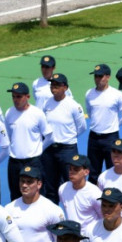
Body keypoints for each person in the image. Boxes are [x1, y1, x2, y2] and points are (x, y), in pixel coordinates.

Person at [41, 74, 87, 203]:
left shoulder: (73, 105)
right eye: (52, 84)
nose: (53, 87)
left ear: (65, 87)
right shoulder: (47, 103)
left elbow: (82, 127)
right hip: (50, 150)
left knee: (72, 183)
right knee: (50, 185)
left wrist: (68, 137)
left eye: (57, 84)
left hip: (67, 150)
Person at [85, 64, 122, 181]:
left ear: (108, 77)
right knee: (93, 172)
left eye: (100, 76)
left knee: (113, 170)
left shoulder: (117, 94)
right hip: (94, 137)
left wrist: (114, 125)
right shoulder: (89, 93)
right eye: (96, 76)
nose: (98, 79)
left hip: (110, 137)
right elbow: (90, 113)